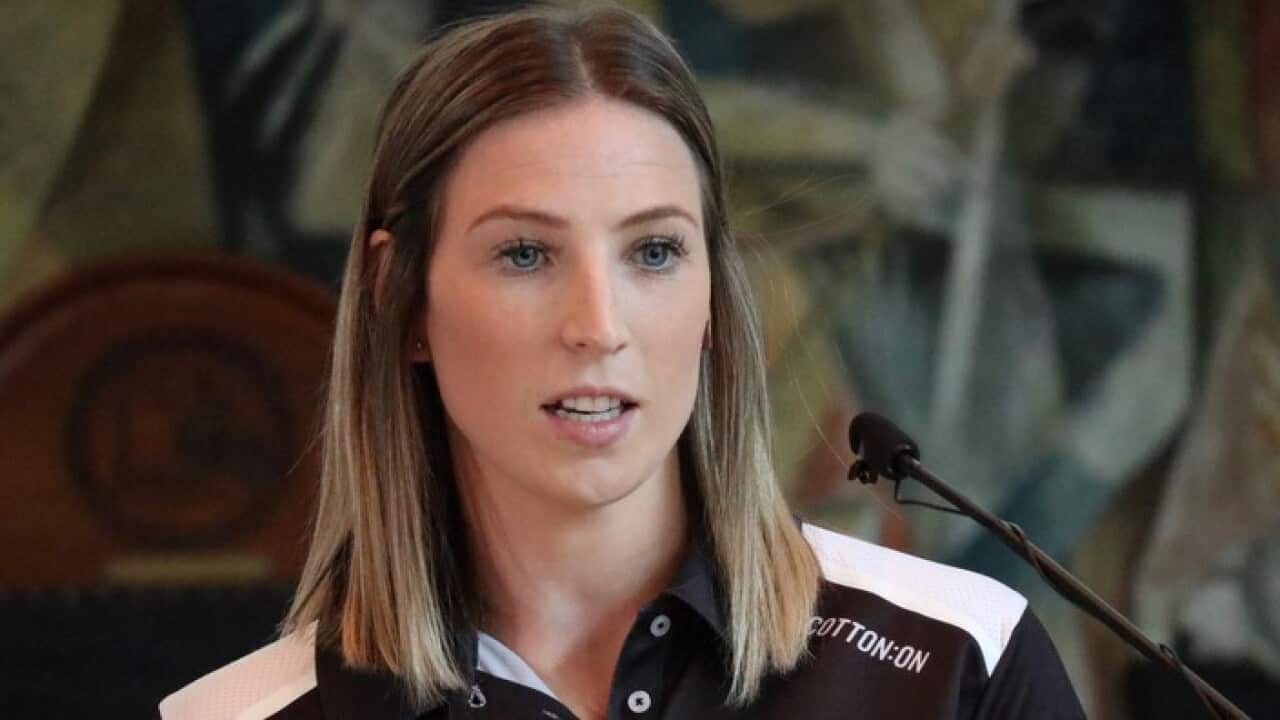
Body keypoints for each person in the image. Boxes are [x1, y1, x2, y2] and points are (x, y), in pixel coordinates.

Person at [159, 4, 1085, 718]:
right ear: (401, 302)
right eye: (525, 254)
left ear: (715, 298)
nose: (598, 326)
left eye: (653, 253)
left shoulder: (962, 662)